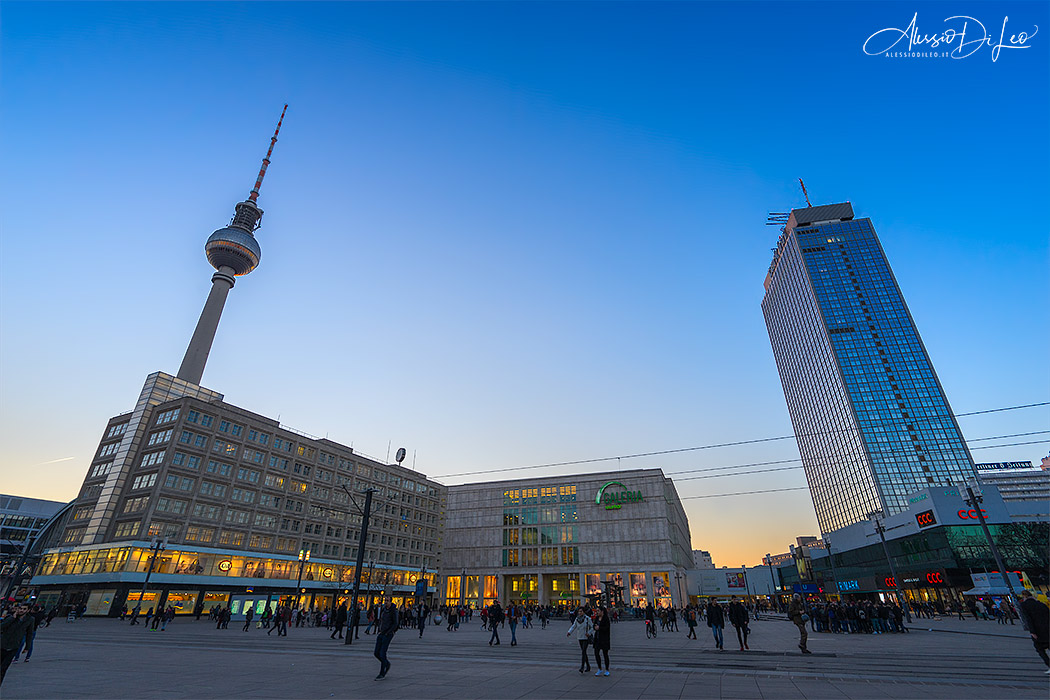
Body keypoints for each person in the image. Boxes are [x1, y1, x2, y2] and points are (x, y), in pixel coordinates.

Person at [1018, 590, 1050, 672]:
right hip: (1047, 628)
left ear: (1024, 596)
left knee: (1040, 649)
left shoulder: (1024, 605)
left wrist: (1032, 631)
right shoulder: (1041, 604)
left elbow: (1028, 619)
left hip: (1037, 630)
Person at [373, 600, 398, 680]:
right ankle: (386, 664)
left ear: (391, 602)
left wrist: (389, 632)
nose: (385, 602)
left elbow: (395, 623)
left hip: (388, 634)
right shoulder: (384, 610)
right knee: (376, 652)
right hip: (381, 632)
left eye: (387, 601)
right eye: (385, 601)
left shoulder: (393, 611)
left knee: (382, 653)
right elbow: (381, 620)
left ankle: (382, 673)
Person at [567, 609, 593, 673]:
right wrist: (569, 632)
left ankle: (582, 667)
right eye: (579, 611)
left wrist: (589, 633)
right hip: (580, 637)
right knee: (584, 652)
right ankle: (588, 666)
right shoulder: (577, 619)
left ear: (584, 612)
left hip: (586, 637)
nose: (580, 612)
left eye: (581, 611)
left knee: (583, 651)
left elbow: (592, 627)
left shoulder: (587, 619)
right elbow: (574, 626)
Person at [592, 606, 611, 676]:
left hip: (604, 639)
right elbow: (594, 625)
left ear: (602, 611)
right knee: (596, 653)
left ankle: (607, 669)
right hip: (597, 639)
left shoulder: (606, 619)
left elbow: (607, 628)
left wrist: (599, 628)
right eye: (596, 611)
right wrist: (595, 627)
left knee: (605, 654)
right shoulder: (596, 618)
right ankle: (599, 668)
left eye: (598, 611)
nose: (597, 612)